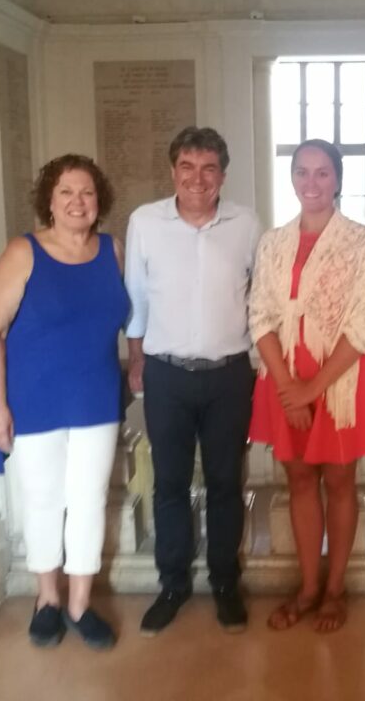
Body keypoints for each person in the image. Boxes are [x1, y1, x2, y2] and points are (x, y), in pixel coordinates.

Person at [249, 139, 365, 633]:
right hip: (284, 375)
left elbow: (363, 325)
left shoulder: (362, 242)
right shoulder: (273, 243)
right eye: (302, 172)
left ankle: (335, 590)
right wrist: (288, 388)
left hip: (338, 382)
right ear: (291, 178)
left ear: (337, 179)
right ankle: (308, 587)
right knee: (297, 481)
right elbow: (260, 317)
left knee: (339, 483)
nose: (311, 182)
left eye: (322, 173)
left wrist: (310, 391)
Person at [0, 154, 129, 650]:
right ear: (49, 200)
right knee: (43, 499)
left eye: (86, 192)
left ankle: (80, 603)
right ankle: (47, 599)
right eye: (66, 192)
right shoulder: (23, 252)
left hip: (96, 397)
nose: (77, 202)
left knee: (88, 500)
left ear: (99, 200)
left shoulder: (113, 250)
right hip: (35, 396)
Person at [125, 126, 260, 636]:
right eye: (187, 167)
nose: (197, 179)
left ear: (223, 175)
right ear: (173, 171)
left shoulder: (246, 224)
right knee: (170, 484)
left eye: (208, 169)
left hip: (229, 376)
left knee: (226, 483)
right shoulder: (145, 222)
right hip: (166, 374)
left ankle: (225, 583)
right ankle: (173, 584)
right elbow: (136, 297)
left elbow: (260, 296)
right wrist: (136, 358)